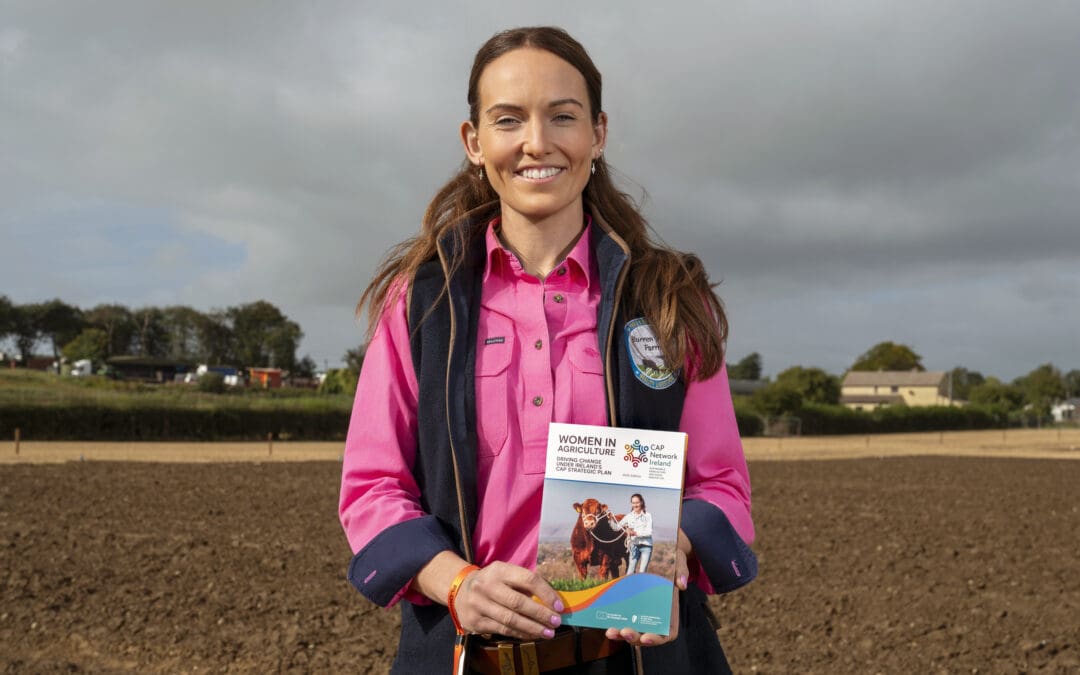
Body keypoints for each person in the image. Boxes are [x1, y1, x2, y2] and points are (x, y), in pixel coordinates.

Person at [339, 26, 757, 675]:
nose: (537, 142)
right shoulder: (421, 301)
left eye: (563, 115)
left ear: (598, 133)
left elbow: (719, 482)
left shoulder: (670, 298)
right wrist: (457, 583)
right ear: (474, 142)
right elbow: (374, 487)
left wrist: (674, 548)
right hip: (463, 660)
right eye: (509, 119)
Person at [617, 494, 653, 575]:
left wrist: (634, 533)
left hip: (646, 546)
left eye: (637, 502)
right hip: (634, 546)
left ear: (641, 502)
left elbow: (649, 532)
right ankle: (629, 587)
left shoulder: (648, 515)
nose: (635, 505)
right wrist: (609, 519)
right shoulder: (628, 516)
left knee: (642, 572)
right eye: (633, 503)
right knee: (630, 572)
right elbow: (616, 527)